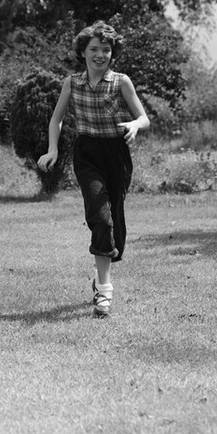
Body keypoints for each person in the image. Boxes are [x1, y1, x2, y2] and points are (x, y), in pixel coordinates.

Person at [37, 21, 149, 318]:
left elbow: (144, 117)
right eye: (94, 49)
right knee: (100, 217)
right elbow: (56, 119)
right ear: (83, 52)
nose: (100, 54)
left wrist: (136, 125)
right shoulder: (72, 82)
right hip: (86, 152)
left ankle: (103, 269)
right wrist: (53, 149)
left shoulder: (121, 82)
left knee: (116, 227)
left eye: (106, 49)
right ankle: (104, 291)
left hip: (117, 153)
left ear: (113, 53)